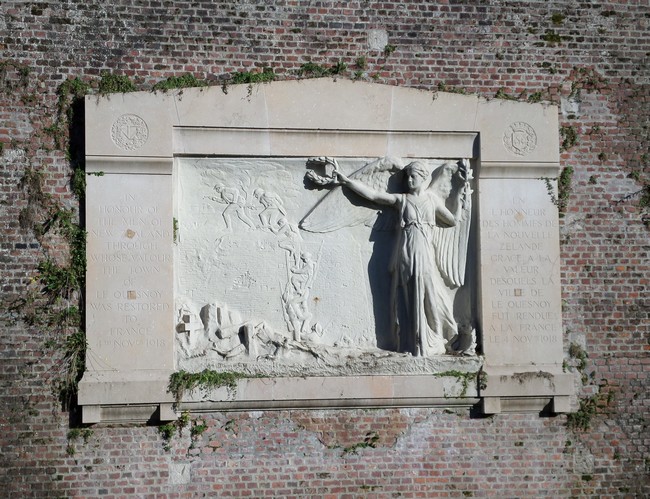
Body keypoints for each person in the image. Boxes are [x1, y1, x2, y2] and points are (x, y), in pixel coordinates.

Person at [334, 160, 464, 356]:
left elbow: (452, 220)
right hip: (405, 252)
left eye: (413, 176)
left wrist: (461, 195)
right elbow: (375, 196)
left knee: (429, 295)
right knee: (405, 296)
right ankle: (411, 342)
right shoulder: (402, 200)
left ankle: (435, 339)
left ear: (423, 177)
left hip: (424, 253)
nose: (409, 180)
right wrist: (347, 182)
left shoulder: (431, 200)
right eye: (407, 177)